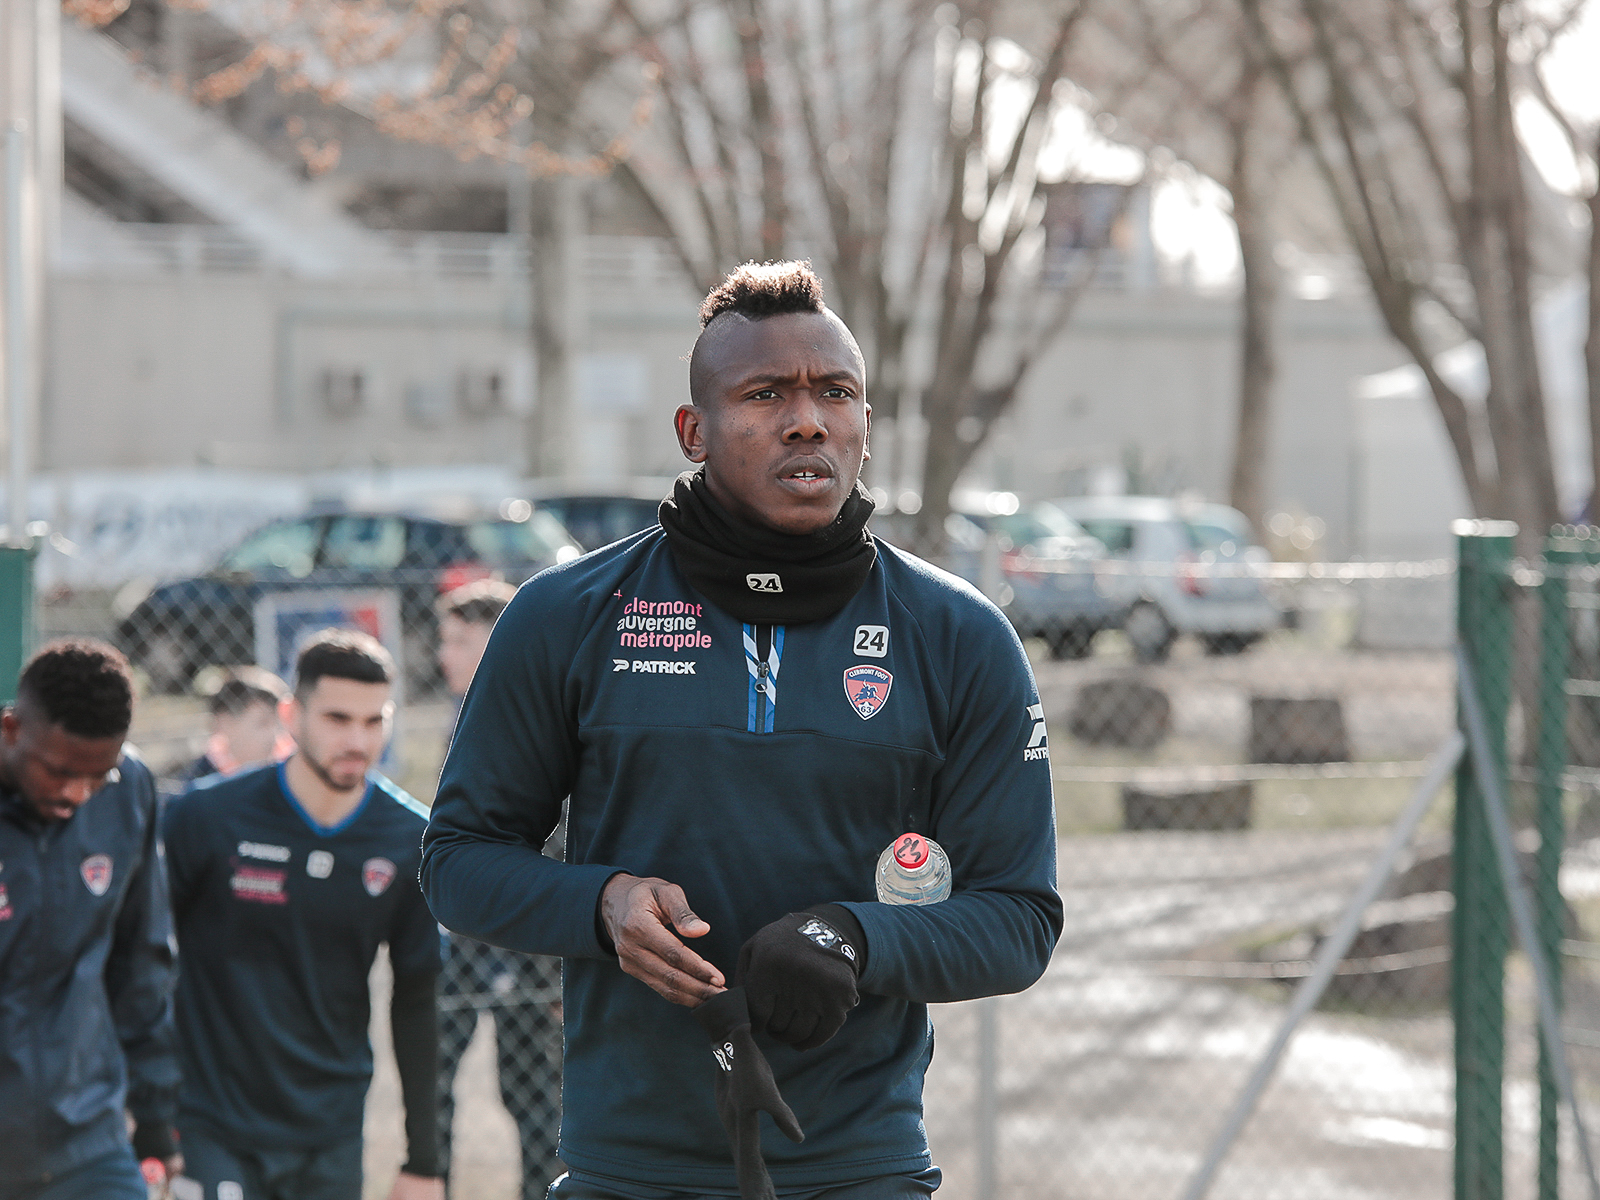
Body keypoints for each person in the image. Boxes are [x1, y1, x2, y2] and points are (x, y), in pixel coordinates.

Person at [421, 261, 1063, 1198]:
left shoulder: (960, 637)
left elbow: (1019, 919)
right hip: (626, 1167)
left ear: (867, 427)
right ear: (694, 431)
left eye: (835, 393)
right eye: (765, 394)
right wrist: (602, 907)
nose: (807, 420)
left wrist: (857, 937)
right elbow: (458, 861)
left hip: (859, 1168)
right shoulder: (569, 614)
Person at [163, 629, 444, 1200]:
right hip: (211, 1123)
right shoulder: (205, 817)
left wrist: (423, 1160)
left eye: (374, 720)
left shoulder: (408, 839)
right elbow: (139, 961)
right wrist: (142, 1107)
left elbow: (416, 1000)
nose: (358, 740)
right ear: (292, 715)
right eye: (338, 718)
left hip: (331, 1131)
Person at [0, 639, 182, 1200]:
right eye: (58, 772)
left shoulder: (129, 793)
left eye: (97, 776)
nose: (76, 793)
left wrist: (153, 1118)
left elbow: (142, 959)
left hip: (87, 1140)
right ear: (11, 730)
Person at [432, 580, 564, 1197]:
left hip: (529, 934)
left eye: (462, 640)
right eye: (445, 639)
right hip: (466, 935)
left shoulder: (544, 706)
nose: (445, 654)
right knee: (432, 1071)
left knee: (530, 1087)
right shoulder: (459, 716)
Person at [165, 667, 292, 791]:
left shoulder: (289, 778)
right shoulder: (193, 788)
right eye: (262, 723)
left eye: (279, 726)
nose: (273, 735)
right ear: (224, 722)